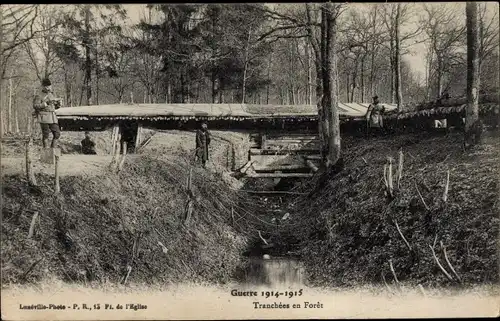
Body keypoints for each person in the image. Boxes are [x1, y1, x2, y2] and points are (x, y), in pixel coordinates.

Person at [33, 78, 62, 148]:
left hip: (52, 117)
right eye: (46, 86)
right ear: (43, 86)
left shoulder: (51, 94)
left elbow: (53, 107)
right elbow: (35, 106)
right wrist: (45, 103)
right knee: (46, 135)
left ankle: (52, 152)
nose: (48, 88)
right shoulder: (39, 95)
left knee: (57, 134)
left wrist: (58, 104)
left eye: (49, 86)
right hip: (44, 117)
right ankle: (46, 153)